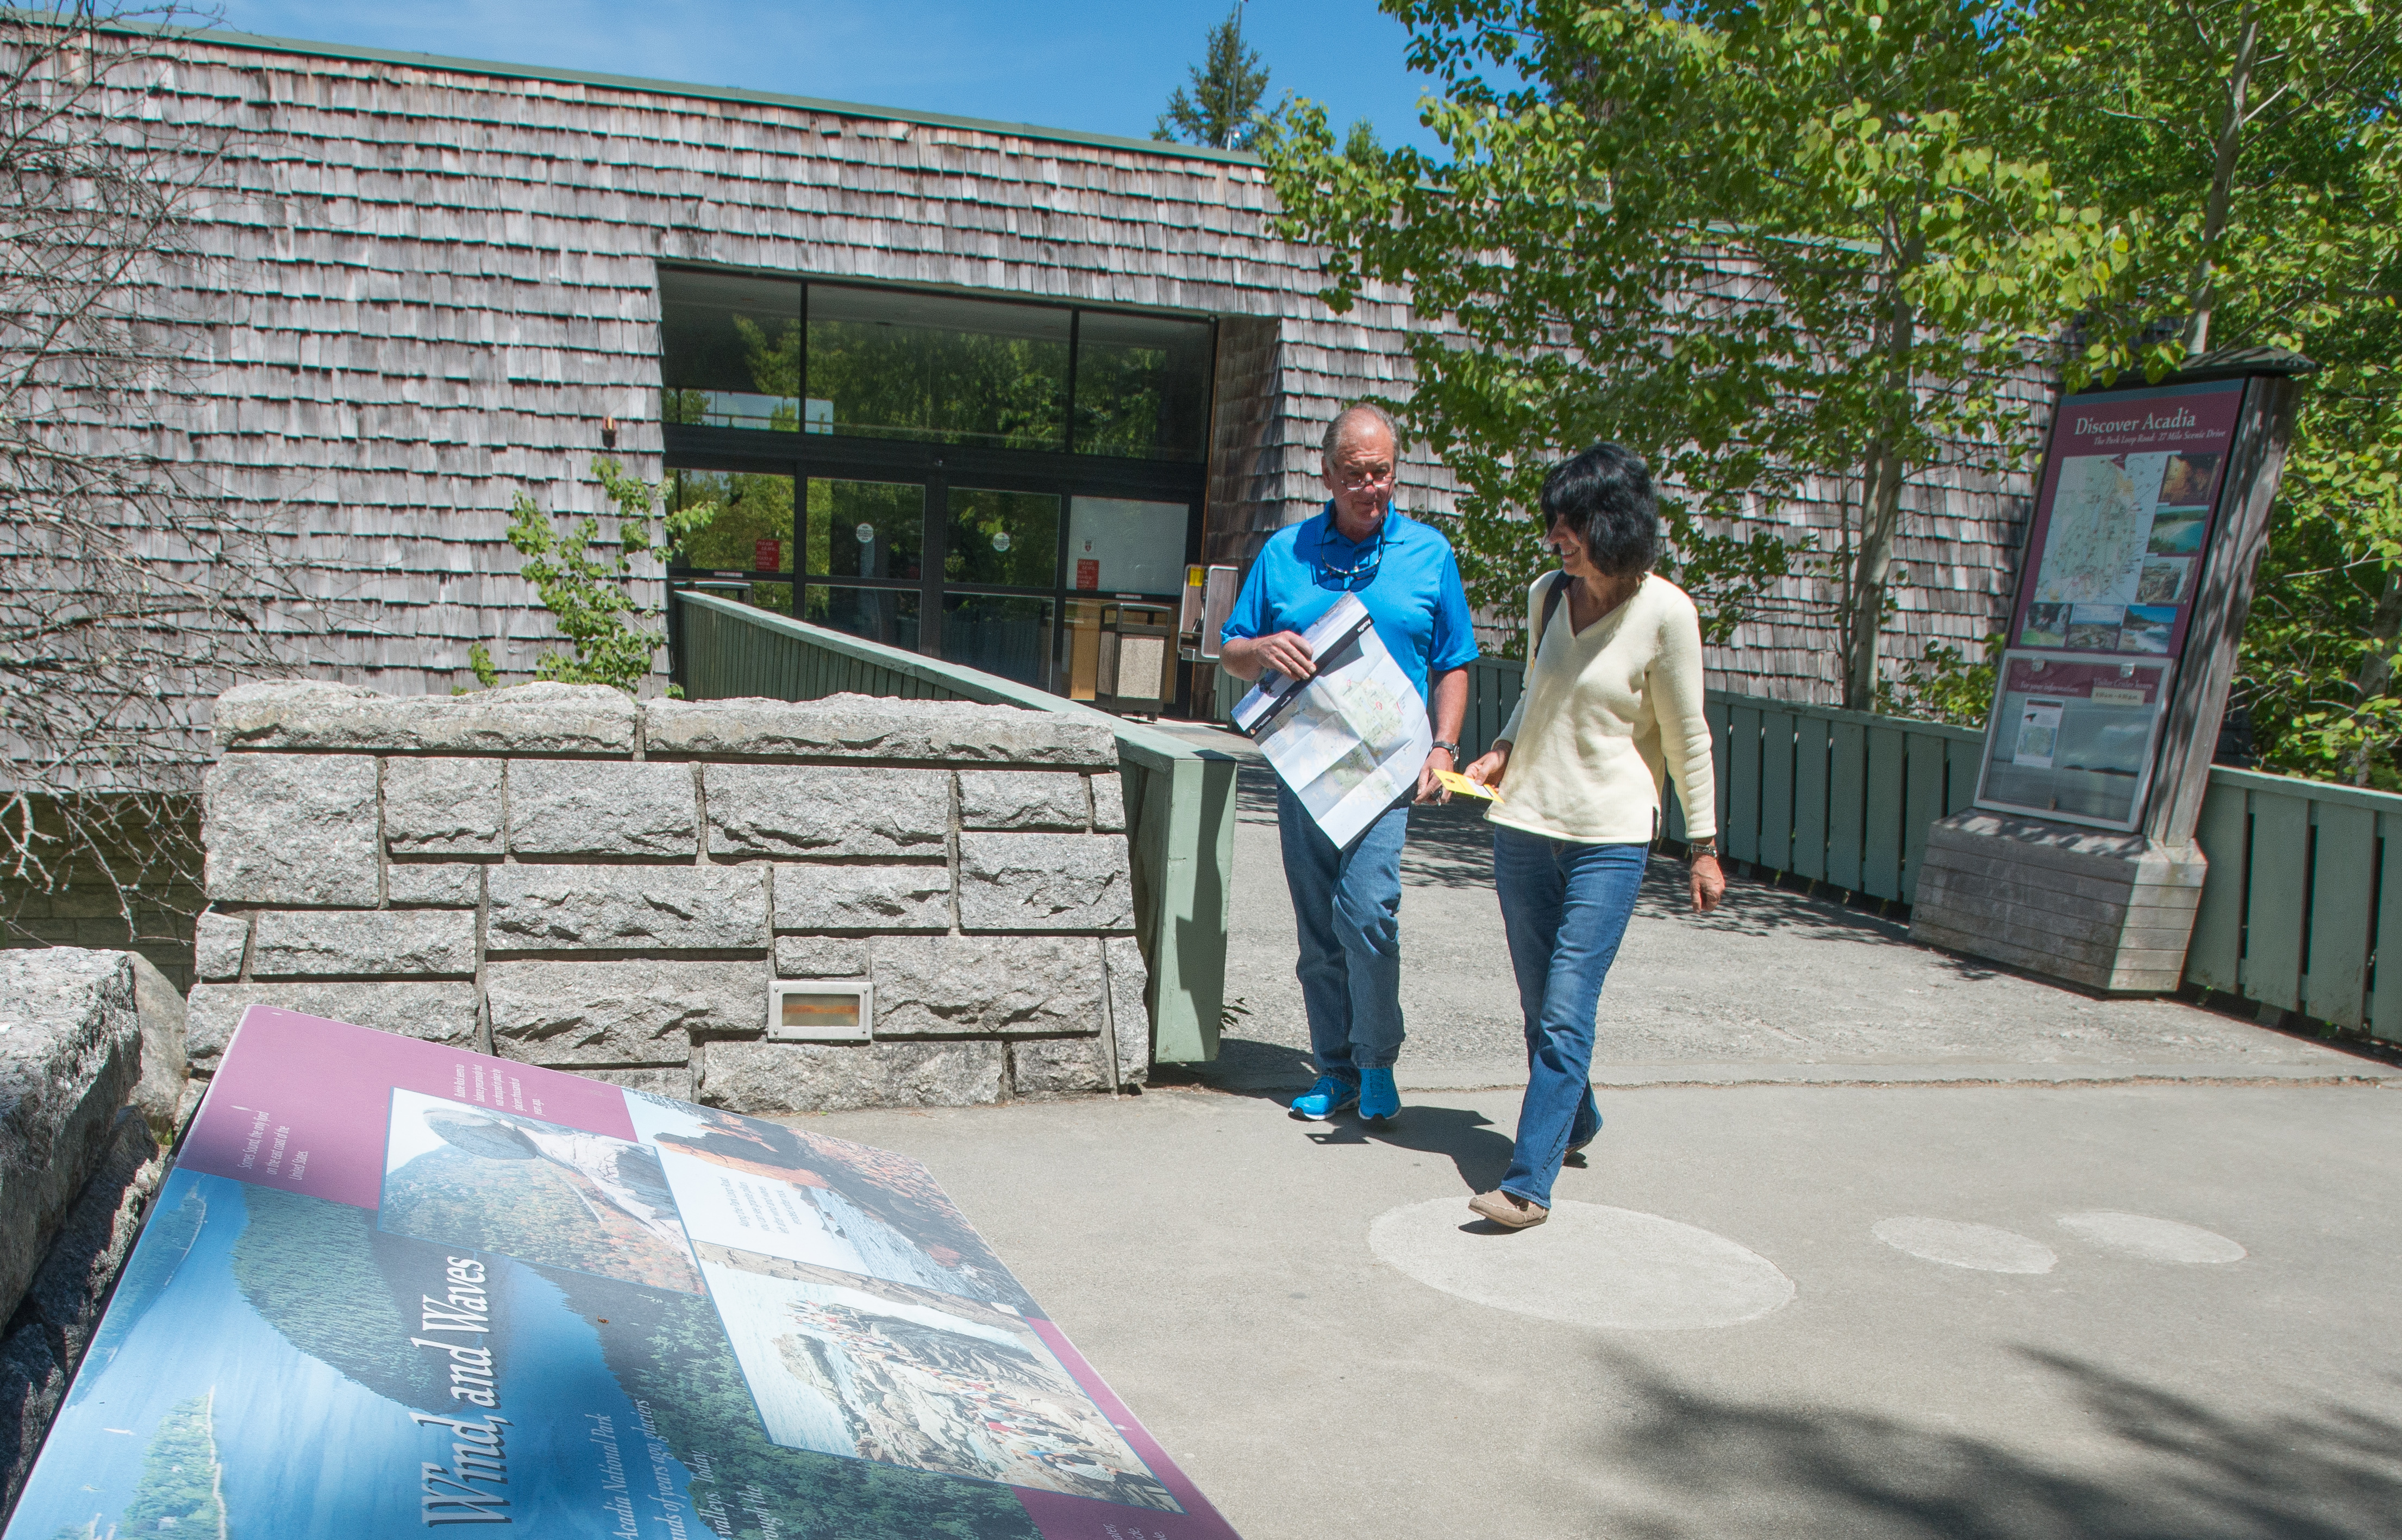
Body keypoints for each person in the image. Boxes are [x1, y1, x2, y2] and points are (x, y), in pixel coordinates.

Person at [1459, 443, 1726, 1229]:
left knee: (1570, 1007)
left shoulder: (1666, 614)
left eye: (1571, 524)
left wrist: (1703, 844)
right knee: (1541, 1003)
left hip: (1610, 837)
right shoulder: (1548, 594)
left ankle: (1527, 1184)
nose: (1556, 539)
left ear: (1615, 525)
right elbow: (1539, 694)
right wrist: (1504, 749)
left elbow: (1689, 736)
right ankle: (1575, 1117)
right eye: (1554, 523)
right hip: (1524, 826)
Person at [1219, 403, 1479, 1125]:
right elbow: (1231, 646)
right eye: (1357, 474)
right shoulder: (1285, 554)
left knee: (1367, 913)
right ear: (1327, 474)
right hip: (1308, 766)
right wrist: (1263, 648)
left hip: (1390, 768)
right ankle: (1334, 1070)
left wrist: (1443, 745)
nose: (1372, 487)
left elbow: (1455, 660)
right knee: (1318, 929)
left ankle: (1376, 1059)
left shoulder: (1429, 555)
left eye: (1384, 473)